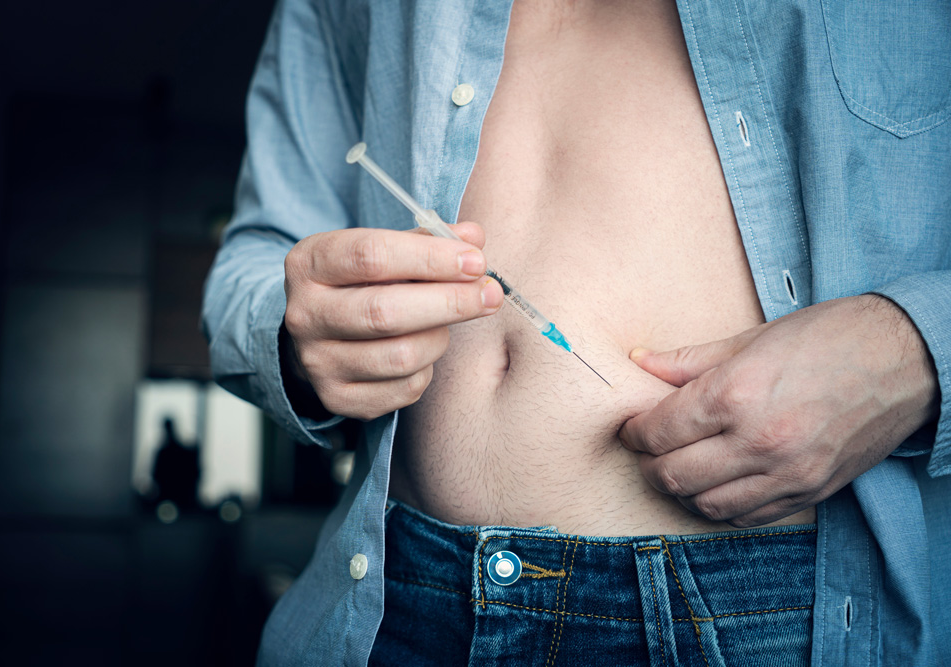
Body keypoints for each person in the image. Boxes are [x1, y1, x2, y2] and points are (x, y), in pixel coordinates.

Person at [202, 1, 951, 665]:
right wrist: (301, 340)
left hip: (757, 608)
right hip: (392, 596)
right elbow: (257, 260)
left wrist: (913, 353)